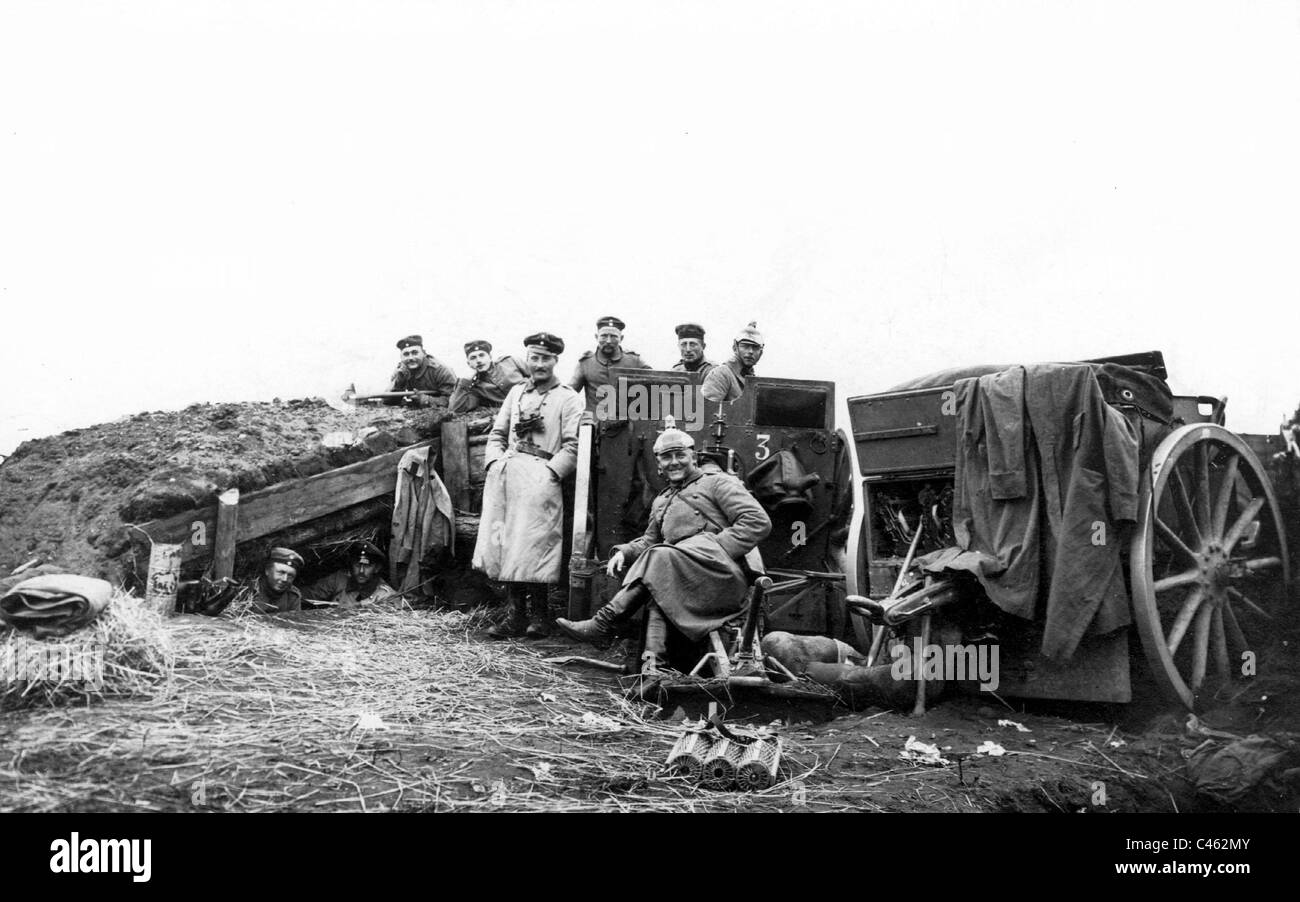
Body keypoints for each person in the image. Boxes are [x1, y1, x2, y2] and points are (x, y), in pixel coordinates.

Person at [555, 417, 772, 677]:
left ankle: (604, 623)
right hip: (681, 576)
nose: (674, 462)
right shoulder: (662, 500)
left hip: (720, 577)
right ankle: (653, 668)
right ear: (658, 464)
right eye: (666, 458)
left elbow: (757, 521)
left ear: (693, 457)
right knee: (660, 574)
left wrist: (714, 545)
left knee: (660, 559)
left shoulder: (718, 483)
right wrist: (623, 551)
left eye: (680, 455)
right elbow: (650, 541)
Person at [473, 332, 585, 639]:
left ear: (555, 361)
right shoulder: (516, 393)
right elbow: (497, 434)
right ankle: (515, 616)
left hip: (541, 478)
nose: (539, 364)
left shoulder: (568, 397)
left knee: (535, 545)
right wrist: (495, 463)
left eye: (545, 358)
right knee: (508, 545)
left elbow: (573, 446)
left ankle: (540, 616)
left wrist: (550, 473)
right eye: (533, 358)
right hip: (508, 476)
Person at [569, 315, 652, 411]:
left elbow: (655, 384)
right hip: (595, 423)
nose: (608, 341)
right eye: (604, 336)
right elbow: (570, 394)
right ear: (596, 337)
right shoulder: (585, 363)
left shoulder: (635, 361)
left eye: (613, 337)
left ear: (621, 338)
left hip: (627, 423)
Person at [300, 540, 396, 609]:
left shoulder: (385, 594)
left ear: (376, 568)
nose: (361, 571)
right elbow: (311, 594)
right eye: (357, 565)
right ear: (351, 564)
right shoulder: (340, 579)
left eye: (367, 566)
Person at [447, 339, 530, 415]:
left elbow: (535, 376)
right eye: (473, 358)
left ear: (490, 357)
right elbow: (455, 409)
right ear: (469, 364)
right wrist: (465, 381)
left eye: (481, 355)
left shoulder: (510, 362)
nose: (478, 360)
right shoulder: (476, 388)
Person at [701, 321, 764, 404]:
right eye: (745, 346)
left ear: (761, 353)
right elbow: (706, 409)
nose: (750, 351)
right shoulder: (721, 374)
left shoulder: (753, 380)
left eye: (755, 348)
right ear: (735, 348)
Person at [387, 335, 458, 407]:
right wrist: (399, 381)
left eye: (415, 353)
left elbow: (455, 401)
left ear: (424, 353)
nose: (410, 358)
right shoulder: (402, 370)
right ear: (401, 357)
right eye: (406, 354)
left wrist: (424, 399)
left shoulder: (440, 370)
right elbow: (388, 401)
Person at [247, 547, 306, 613]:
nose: (285, 579)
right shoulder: (250, 591)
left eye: (290, 575)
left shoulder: (292, 596)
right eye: (281, 573)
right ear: (267, 570)